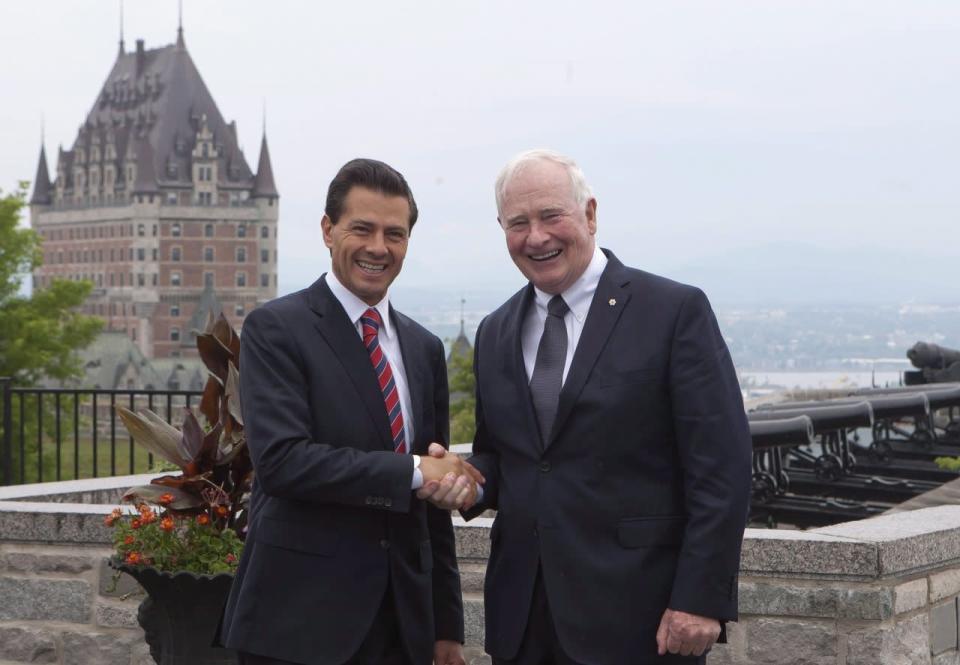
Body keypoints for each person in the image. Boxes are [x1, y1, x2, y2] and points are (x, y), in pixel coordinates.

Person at [420, 149, 752, 664]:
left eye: (552, 215)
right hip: (524, 621)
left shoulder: (672, 312)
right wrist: (466, 479)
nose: (536, 237)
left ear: (590, 214)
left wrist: (701, 600)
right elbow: (508, 459)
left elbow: (722, 469)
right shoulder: (496, 332)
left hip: (641, 621)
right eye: (518, 223)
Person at [220, 158, 482, 665]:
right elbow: (283, 463)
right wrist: (412, 469)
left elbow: (430, 508)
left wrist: (446, 626)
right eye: (362, 228)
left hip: (402, 628)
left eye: (395, 233)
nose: (378, 247)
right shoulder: (277, 329)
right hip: (298, 624)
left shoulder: (425, 348)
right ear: (327, 230)